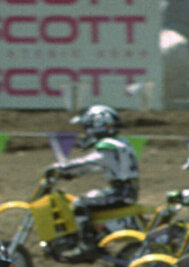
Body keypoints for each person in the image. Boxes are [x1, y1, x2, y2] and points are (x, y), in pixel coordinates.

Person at [47, 104, 140, 245]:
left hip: (120, 192)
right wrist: (74, 173)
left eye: (87, 127)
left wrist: (62, 167)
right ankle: (95, 234)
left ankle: (87, 244)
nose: (86, 131)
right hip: (128, 190)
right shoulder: (122, 143)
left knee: (80, 203)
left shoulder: (108, 145)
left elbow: (90, 161)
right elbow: (98, 165)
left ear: (98, 125)